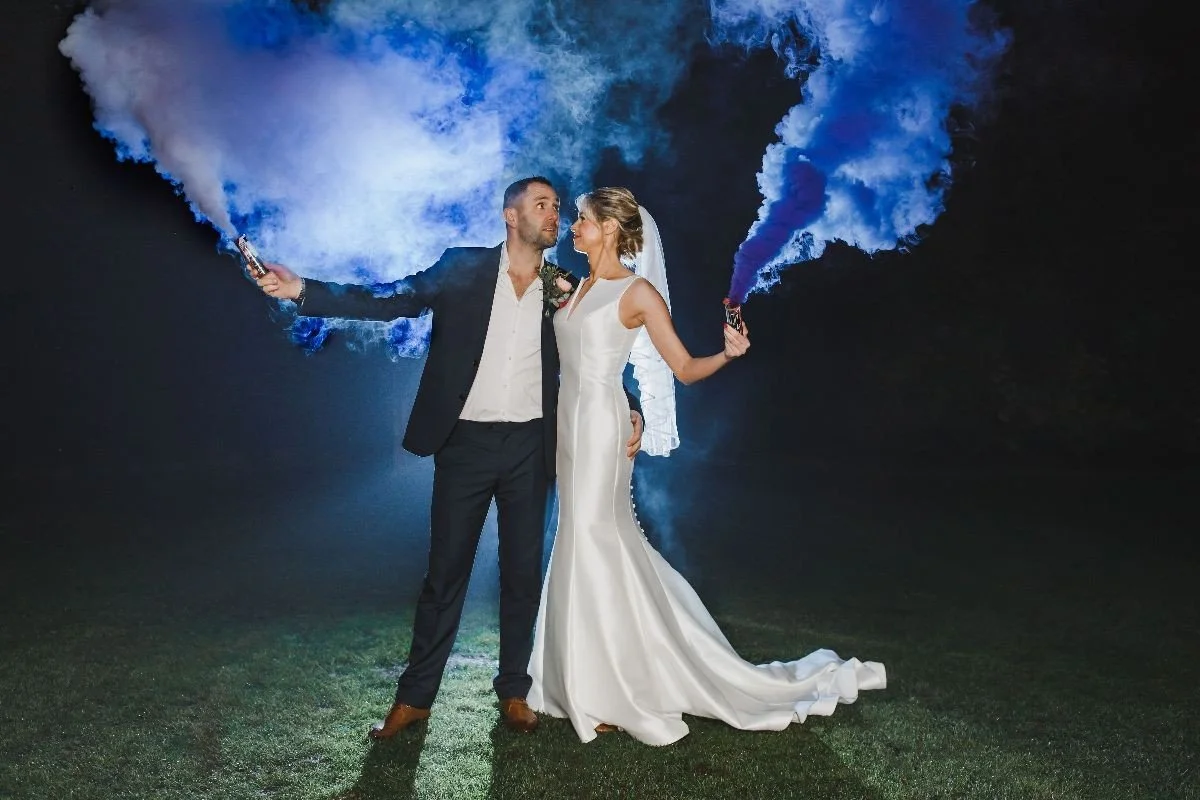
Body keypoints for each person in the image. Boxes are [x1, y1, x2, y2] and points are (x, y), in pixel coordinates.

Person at [251, 177, 644, 737]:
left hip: (532, 446)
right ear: (511, 216)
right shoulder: (461, 266)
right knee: (445, 573)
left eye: (558, 207)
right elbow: (390, 298)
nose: (554, 214)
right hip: (464, 445)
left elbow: (598, 352)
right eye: (542, 205)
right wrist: (302, 291)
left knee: (522, 573)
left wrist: (631, 407)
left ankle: (515, 692)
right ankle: (415, 699)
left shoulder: (565, 286)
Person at [528, 186, 886, 745]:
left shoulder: (638, 292)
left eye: (582, 221)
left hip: (602, 426)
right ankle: (581, 674)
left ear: (612, 230)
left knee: (595, 536)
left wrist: (726, 354)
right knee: (580, 535)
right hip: (569, 428)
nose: (573, 228)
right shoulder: (573, 289)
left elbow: (685, 368)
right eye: (574, 220)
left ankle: (608, 685)